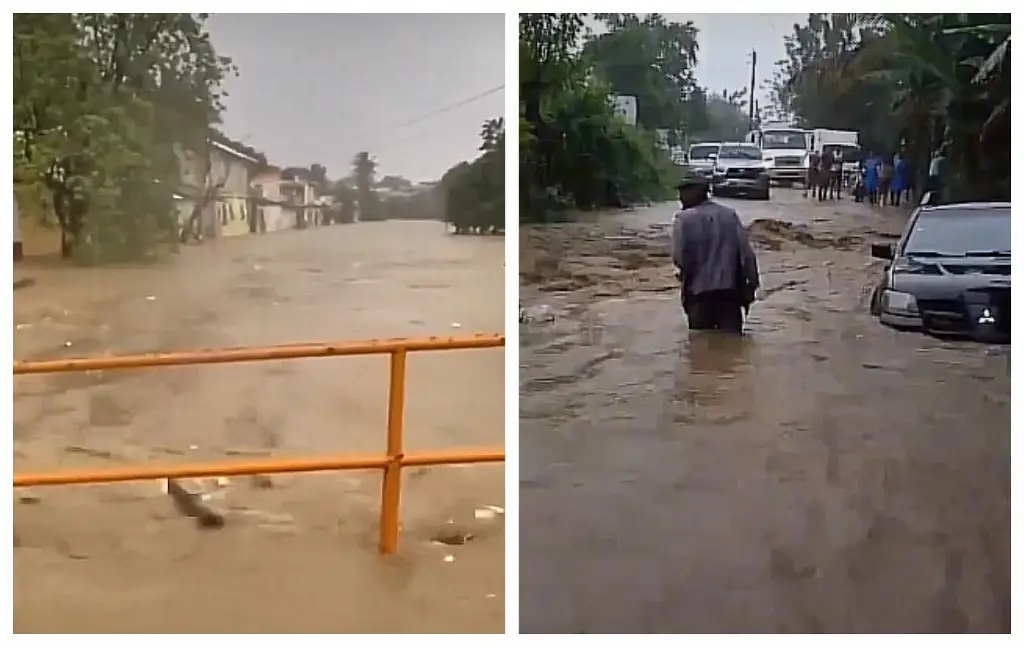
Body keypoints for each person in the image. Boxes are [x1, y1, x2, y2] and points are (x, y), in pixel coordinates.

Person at [671, 173, 761, 334]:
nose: (680, 198)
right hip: (730, 293)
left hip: (698, 295)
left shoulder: (684, 219)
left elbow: (679, 258)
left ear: (696, 192)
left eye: (683, 192)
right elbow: (747, 255)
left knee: (700, 346)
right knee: (732, 345)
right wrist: (752, 284)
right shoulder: (729, 215)